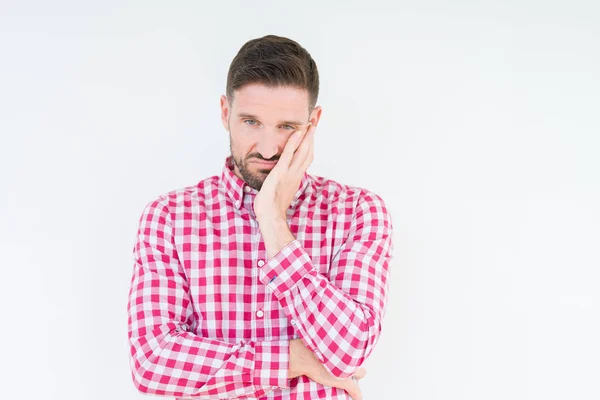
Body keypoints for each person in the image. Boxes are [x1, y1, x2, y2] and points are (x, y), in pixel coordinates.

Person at [126, 34, 394, 400]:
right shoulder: (170, 217)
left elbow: (349, 350)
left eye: (286, 127)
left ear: (313, 123)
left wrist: (273, 221)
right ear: (225, 113)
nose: (268, 149)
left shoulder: (358, 212)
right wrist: (292, 358)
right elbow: (153, 361)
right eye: (251, 122)